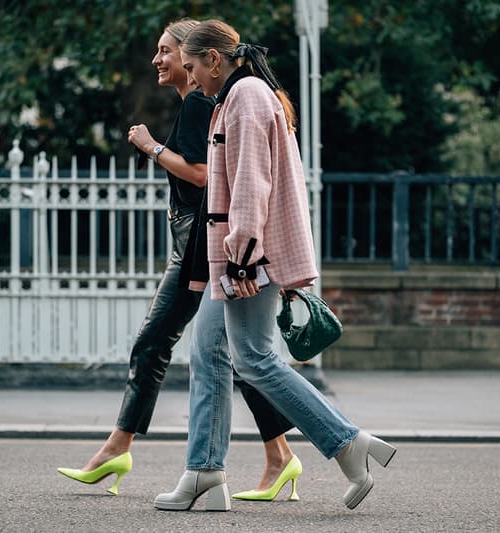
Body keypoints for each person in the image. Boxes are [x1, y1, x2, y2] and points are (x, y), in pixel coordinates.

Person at [154, 19, 396, 512]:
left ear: (215, 60)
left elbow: (251, 184)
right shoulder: (245, 94)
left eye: (195, 65)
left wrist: (241, 262)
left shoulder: (245, 97)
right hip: (242, 254)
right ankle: (204, 472)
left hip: (247, 257)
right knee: (209, 353)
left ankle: (348, 442)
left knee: (254, 359)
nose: (191, 75)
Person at [56, 19, 302, 501]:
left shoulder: (200, 102)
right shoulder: (212, 101)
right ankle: (279, 456)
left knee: (159, 343)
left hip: (199, 244)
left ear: (199, 57)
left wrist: (149, 145)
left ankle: (119, 449)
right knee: (231, 353)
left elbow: (201, 175)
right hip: (198, 241)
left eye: (168, 52)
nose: (159, 60)